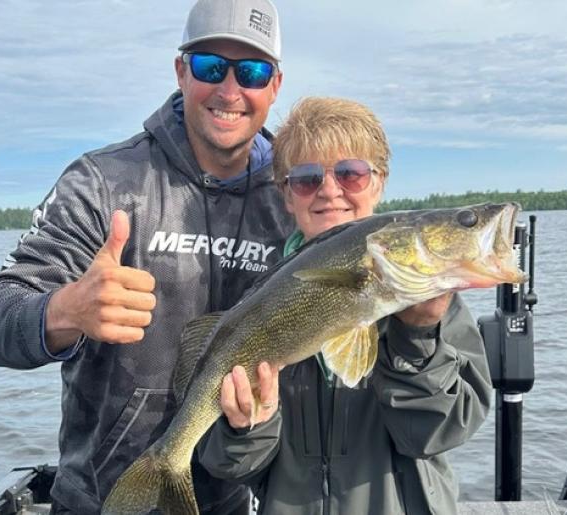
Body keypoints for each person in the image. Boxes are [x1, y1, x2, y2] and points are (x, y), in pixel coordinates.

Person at [0, 0, 293, 513]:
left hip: (228, 498)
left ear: (274, 85)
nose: (230, 91)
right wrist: (66, 311)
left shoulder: (293, 196)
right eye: (211, 66)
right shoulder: (103, 183)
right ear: (181, 71)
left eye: (251, 71)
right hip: (99, 500)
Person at [198, 97, 493, 514]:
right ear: (286, 195)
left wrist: (418, 337)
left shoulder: (433, 301)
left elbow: (435, 434)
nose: (330, 190)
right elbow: (236, 465)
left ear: (379, 182)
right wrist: (247, 427)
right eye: (306, 178)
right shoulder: (258, 300)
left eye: (352, 174)